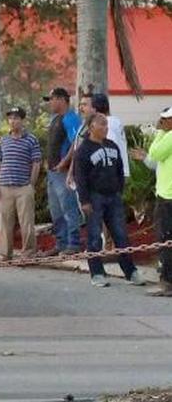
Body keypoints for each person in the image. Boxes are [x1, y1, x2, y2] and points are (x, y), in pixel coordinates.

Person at [73, 113, 146, 287]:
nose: (106, 128)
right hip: (94, 197)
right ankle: (97, 273)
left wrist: (119, 189)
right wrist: (84, 201)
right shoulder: (83, 150)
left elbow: (119, 169)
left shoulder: (112, 145)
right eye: (102, 125)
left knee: (121, 236)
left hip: (113, 197)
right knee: (94, 238)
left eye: (106, 124)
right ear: (91, 127)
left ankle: (130, 272)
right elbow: (80, 177)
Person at [130, 106, 172, 296]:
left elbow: (155, 153)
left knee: (165, 239)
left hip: (168, 196)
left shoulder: (169, 137)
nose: (162, 122)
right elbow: (156, 162)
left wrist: (160, 132)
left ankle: (167, 282)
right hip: (165, 194)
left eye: (165, 120)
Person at [0, 107, 42, 260]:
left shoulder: (31, 139)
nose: (13, 121)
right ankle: (5, 254)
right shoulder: (3, 140)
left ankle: (28, 254)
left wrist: (31, 185)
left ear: (22, 120)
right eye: (11, 118)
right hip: (4, 187)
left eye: (16, 118)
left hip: (23, 188)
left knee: (26, 223)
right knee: (5, 223)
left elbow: (36, 163)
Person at [43, 87, 83, 255]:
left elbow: (76, 143)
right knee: (56, 209)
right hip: (52, 172)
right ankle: (61, 243)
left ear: (61, 99)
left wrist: (64, 163)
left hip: (64, 173)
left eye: (51, 99)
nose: (50, 103)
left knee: (68, 207)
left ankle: (73, 244)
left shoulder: (71, 118)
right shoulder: (55, 119)